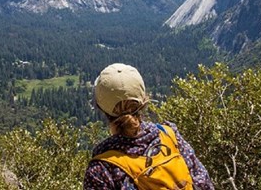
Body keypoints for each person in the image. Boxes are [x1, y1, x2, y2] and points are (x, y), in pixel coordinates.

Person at [83, 63, 214, 190]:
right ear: (142, 99)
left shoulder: (102, 169)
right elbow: (203, 183)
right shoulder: (169, 135)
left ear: (101, 108)